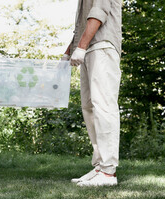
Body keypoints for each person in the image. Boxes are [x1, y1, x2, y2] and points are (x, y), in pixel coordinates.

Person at [62, 0, 122, 186]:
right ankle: (99, 166)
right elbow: (82, 25)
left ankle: (108, 171)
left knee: (104, 107)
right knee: (89, 108)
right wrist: (69, 50)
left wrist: (80, 47)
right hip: (88, 49)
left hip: (102, 46)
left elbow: (98, 13)